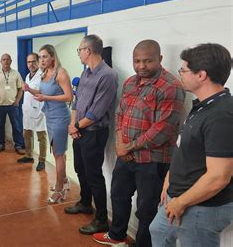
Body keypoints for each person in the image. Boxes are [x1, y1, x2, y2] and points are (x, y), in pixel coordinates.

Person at [92, 40, 185, 246]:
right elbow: (120, 113)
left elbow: (162, 130)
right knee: (118, 195)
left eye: (147, 61)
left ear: (159, 59)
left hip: (153, 160)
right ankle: (117, 236)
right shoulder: (130, 83)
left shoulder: (170, 87)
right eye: (137, 61)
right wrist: (119, 142)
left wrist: (130, 146)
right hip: (125, 156)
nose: (141, 66)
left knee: (147, 208)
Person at [149, 43, 233, 247]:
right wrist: (170, 179)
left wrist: (181, 202)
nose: (181, 75)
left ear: (201, 75)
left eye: (184, 70)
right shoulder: (204, 105)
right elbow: (186, 148)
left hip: (201, 206)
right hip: (178, 195)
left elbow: (218, 177)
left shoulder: (221, 115)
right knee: (158, 231)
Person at [65, 35, 118, 235]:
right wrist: (73, 125)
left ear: (88, 50)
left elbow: (96, 112)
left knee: (94, 174)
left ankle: (102, 218)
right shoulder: (86, 72)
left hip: (93, 133)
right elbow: (77, 102)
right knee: (80, 168)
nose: (78, 53)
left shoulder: (108, 76)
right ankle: (86, 202)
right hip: (79, 130)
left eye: (79, 50)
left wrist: (77, 126)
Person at [32, 45, 72, 202]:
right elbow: (43, 94)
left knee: (58, 154)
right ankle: (64, 180)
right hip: (49, 116)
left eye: (44, 57)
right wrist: (29, 90)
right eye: (40, 57)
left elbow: (69, 97)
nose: (41, 60)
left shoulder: (60, 73)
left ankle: (60, 190)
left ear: (52, 57)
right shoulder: (45, 73)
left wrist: (46, 98)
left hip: (60, 117)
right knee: (58, 152)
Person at [0, 53, 25, 155]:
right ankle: (0, 144)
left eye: (8, 59)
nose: (6, 61)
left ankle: (18, 145)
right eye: (3, 59)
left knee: (16, 126)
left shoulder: (16, 74)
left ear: (11, 61)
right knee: (0, 126)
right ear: (1, 62)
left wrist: (17, 101)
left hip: (13, 105)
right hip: (0, 105)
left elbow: (20, 89)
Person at [19, 53, 48, 172]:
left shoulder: (43, 75)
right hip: (27, 110)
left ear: (38, 61)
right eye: (29, 62)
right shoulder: (27, 76)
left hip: (39, 110)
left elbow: (42, 92)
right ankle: (28, 155)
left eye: (33, 61)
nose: (31, 64)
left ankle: (42, 160)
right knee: (27, 133)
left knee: (41, 136)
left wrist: (29, 89)